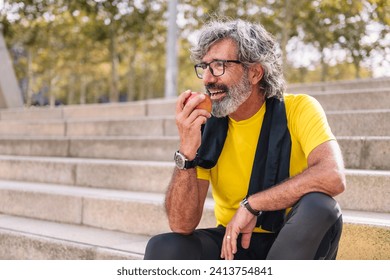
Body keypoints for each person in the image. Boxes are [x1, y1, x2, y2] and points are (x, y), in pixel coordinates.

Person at [144, 18, 346, 260]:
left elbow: (332, 176)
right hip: (233, 243)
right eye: (204, 67)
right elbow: (181, 224)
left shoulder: (300, 109)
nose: (207, 79)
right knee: (164, 248)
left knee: (320, 207)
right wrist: (186, 152)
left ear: (254, 73)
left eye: (219, 66)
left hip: (294, 240)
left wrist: (253, 204)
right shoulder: (206, 126)